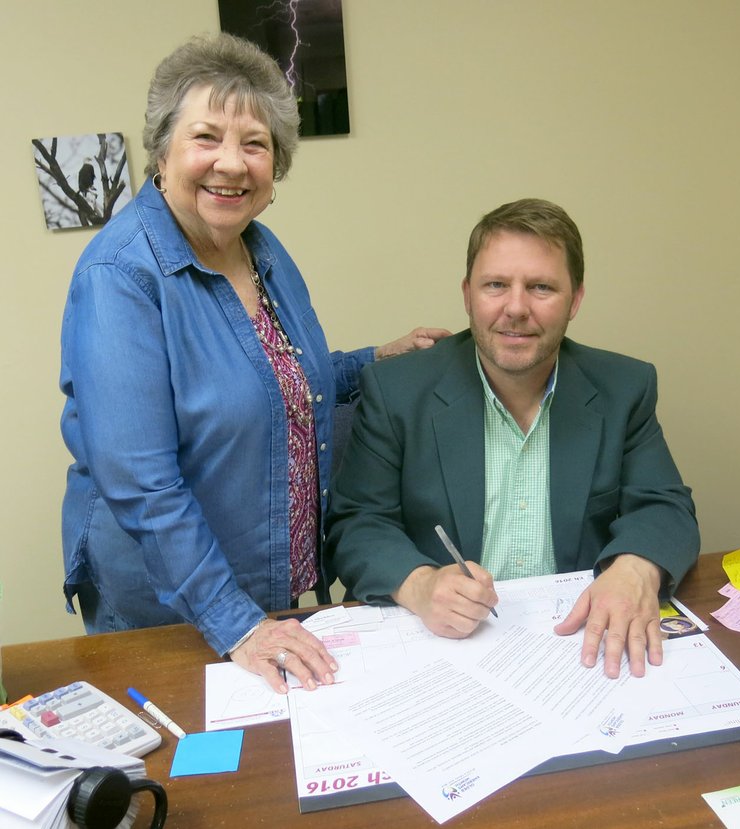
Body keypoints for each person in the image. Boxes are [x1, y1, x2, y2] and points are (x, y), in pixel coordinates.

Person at [59, 32, 449, 694]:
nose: (232, 164)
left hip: (265, 591)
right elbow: (140, 480)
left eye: (256, 144)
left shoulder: (261, 250)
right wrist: (238, 624)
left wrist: (371, 360)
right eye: (206, 137)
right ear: (163, 149)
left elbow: (280, 378)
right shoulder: (119, 275)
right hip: (174, 604)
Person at [325, 198, 700, 679]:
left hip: (578, 646)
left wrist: (635, 568)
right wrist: (419, 586)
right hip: (445, 652)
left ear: (576, 299)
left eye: (541, 287)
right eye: (496, 285)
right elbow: (356, 523)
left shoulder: (622, 388)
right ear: (468, 295)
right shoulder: (397, 390)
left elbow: (666, 506)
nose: (516, 308)